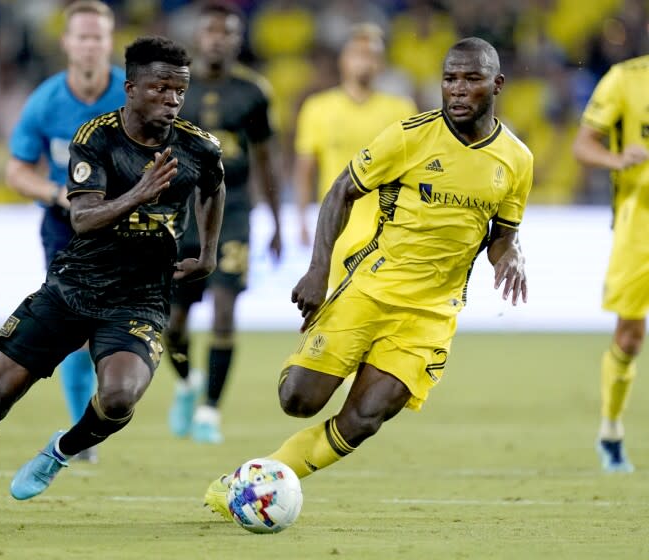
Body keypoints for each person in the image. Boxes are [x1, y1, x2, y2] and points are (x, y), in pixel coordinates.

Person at [203, 37, 533, 518]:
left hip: (430, 315)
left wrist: (512, 254)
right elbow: (341, 191)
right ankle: (322, 357)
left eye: (472, 79)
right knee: (297, 400)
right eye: (450, 79)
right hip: (368, 290)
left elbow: (503, 232)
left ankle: (246, 483)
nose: (458, 90)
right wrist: (319, 270)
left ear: (497, 84)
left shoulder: (516, 160)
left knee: (363, 420)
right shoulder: (408, 136)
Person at [0, 36, 225, 530]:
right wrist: (140, 193)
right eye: (161, 88)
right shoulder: (96, 138)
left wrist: (207, 253)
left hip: (140, 297)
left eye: (179, 91)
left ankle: (61, 450)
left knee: (120, 398)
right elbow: (82, 219)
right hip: (74, 286)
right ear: (132, 88)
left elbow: (214, 183)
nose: (172, 100)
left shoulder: (197, 145)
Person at [5, 0, 125, 462]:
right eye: (83, 36)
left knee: (114, 328)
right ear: (67, 43)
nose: (91, 45)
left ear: (108, 42)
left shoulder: (130, 96)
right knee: (75, 329)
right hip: (64, 226)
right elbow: (16, 171)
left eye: (98, 37)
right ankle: (84, 436)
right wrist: (59, 195)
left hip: (123, 223)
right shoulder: (46, 101)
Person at [166, 0, 282, 445]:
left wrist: (274, 219)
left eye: (227, 32)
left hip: (232, 213)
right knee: (173, 323)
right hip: (181, 214)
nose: (218, 39)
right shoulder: (177, 89)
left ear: (238, 39)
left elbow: (267, 158)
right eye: (211, 31)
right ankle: (185, 383)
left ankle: (211, 411)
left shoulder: (253, 91)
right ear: (199, 37)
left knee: (224, 310)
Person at [572, 32, 649, 473]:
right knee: (629, 338)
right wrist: (617, 160)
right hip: (638, 227)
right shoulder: (625, 79)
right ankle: (612, 430)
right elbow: (582, 146)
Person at [293, 23, 416, 289]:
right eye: (359, 54)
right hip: (337, 227)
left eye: (372, 56)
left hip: (386, 230)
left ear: (382, 64)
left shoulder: (401, 109)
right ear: (343, 61)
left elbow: (413, 172)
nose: (365, 62)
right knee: (334, 311)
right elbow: (305, 169)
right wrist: (301, 218)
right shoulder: (318, 108)